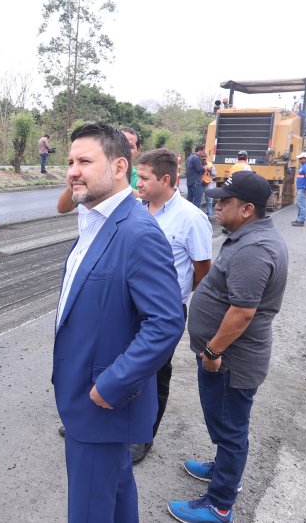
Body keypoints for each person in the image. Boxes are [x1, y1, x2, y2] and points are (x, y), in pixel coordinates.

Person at [55, 123, 184, 523]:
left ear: (118, 167)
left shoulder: (137, 232)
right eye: (71, 161)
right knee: (116, 495)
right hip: (86, 396)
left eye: (85, 161)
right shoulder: (95, 219)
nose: (73, 170)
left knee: (91, 510)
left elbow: (165, 323)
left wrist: (109, 387)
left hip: (102, 403)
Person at [169, 170, 289, 523]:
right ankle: (222, 468)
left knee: (232, 429)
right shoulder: (247, 237)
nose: (216, 205)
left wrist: (212, 352)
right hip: (227, 357)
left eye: (224, 201)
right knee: (227, 424)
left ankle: (219, 504)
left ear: (248, 208)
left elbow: (241, 313)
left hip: (230, 360)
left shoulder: (255, 250)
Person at [129, 148, 214, 465]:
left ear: (166, 179)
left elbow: (202, 270)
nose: (138, 182)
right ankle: (109, 421)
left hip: (163, 313)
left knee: (153, 374)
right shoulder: (136, 210)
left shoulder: (192, 218)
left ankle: (143, 436)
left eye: (145, 177)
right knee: (120, 363)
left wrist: (172, 296)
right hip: (128, 306)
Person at [56, 126, 142, 214]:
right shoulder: (87, 174)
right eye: (71, 163)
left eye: (130, 146)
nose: (124, 149)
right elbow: (63, 208)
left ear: (138, 150)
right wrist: (78, 181)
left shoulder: (139, 179)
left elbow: (150, 203)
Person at [292, 152, 306, 227]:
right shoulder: (304, 165)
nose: (299, 160)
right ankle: (299, 219)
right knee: (300, 204)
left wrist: (305, 187)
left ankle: (301, 221)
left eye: (301, 158)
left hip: (302, 189)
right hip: (301, 188)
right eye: (299, 158)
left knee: (302, 205)